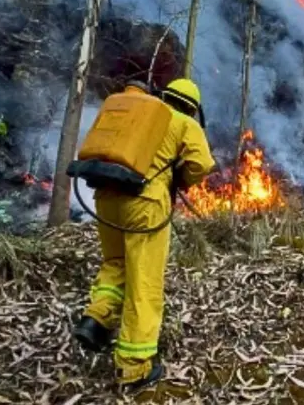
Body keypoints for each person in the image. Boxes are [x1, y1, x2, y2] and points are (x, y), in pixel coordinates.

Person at [71, 78, 215, 392]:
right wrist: (181, 178)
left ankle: (96, 319)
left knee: (115, 263)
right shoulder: (184, 122)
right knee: (144, 279)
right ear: (191, 107)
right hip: (145, 204)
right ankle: (134, 368)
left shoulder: (141, 113)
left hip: (106, 196)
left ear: (164, 95)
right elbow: (201, 164)